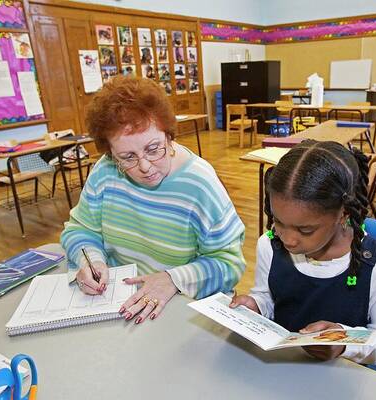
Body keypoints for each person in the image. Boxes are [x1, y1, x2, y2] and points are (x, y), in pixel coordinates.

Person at [61, 76, 246, 324]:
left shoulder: (199, 184)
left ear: (169, 136)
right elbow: (80, 229)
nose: (145, 167)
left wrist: (173, 279)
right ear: (111, 154)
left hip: (181, 307)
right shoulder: (105, 172)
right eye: (127, 157)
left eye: (153, 148)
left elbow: (229, 263)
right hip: (119, 301)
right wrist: (91, 260)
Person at [230, 141, 376, 365]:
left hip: (342, 376)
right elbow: (269, 297)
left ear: (343, 214)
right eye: (279, 222)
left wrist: (343, 342)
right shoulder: (270, 244)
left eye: (305, 230)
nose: (288, 239)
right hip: (280, 366)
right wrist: (255, 305)